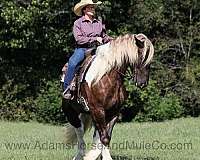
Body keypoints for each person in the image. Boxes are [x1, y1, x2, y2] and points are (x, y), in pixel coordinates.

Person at [63, 0, 112, 99]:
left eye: (93, 7)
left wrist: (114, 40)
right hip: (83, 49)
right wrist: (94, 39)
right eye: (90, 7)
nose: (92, 9)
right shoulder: (78, 23)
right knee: (72, 63)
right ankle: (67, 88)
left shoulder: (99, 22)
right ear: (84, 10)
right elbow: (79, 39)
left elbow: (104, 36)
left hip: (99, 48)